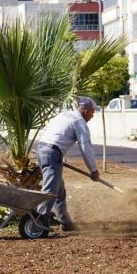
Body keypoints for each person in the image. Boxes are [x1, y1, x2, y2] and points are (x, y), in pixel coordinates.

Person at [35, 96, 100, 232]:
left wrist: (57, 154)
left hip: (42, 149)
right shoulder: (79, 122)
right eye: (93, 112)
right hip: (52, 153)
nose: (92, 116)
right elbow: (85, 146)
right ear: (86, 111)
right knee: (50, 191)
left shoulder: (65, 114)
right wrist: (93, 170)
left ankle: (65, 222)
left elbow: (51, 132)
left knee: (59, 190)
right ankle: (39, 223)